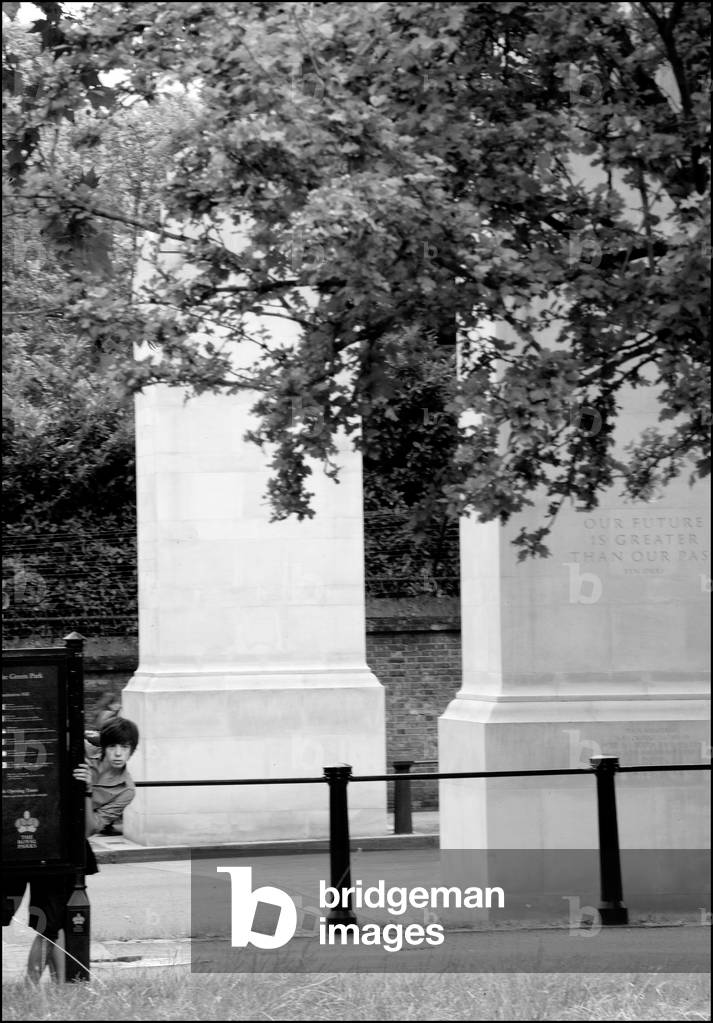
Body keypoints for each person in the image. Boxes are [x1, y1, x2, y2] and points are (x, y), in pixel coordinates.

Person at [25, 717, 139, 981]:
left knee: (61, 923)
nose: (119, 753)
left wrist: (86, 790)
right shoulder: (85, 751)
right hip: (45, 838)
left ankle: (58, 984)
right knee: (50, 924)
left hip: (74, 850)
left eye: (125, 747)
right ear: (105, 746)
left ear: (133, 749)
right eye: (113, 746)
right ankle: (37, 984)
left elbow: (90, 828)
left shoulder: (126, 790)